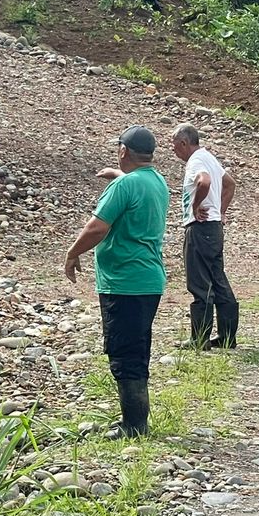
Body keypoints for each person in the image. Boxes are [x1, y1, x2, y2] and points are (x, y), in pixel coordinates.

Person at [64, 126, 169, 438]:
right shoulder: (156, 181)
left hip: (125, 282)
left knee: (125, 353)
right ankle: (136, 420)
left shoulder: (124, 186)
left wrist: (72, 253)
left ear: (123, 151)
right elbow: (135, 186)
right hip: (148, 280)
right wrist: (118, 176)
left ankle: (134, 426)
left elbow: (97, 228)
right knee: (137, 349)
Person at [171, 123, 239, 349]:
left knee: (200, 283)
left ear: (184, 143)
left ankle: (199, 339)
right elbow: (229, 184)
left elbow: (205, 181)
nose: (173, 149)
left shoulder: (196, 161)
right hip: (214, 228)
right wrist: (221, 211)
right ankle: (227, 337)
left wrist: (195, 205)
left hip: (200, 228)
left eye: (174, 144)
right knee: (218, 280)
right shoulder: (209, 157)